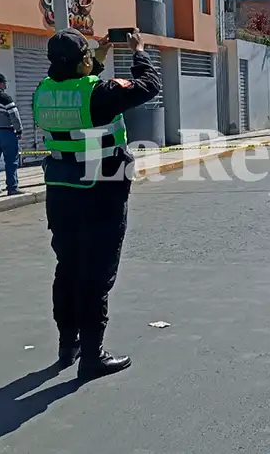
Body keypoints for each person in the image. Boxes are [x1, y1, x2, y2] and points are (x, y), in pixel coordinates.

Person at [34, 27, 161, 380]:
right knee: (96, 274)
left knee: (68, 266)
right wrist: (139, 51)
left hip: (60, 188)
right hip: (100, 188)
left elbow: (77, 90)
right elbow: (149, 85)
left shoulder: (43, 91)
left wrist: (97, 57)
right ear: (83, 61)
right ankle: (93, 355)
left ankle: (68, 344)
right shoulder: (100, 93)